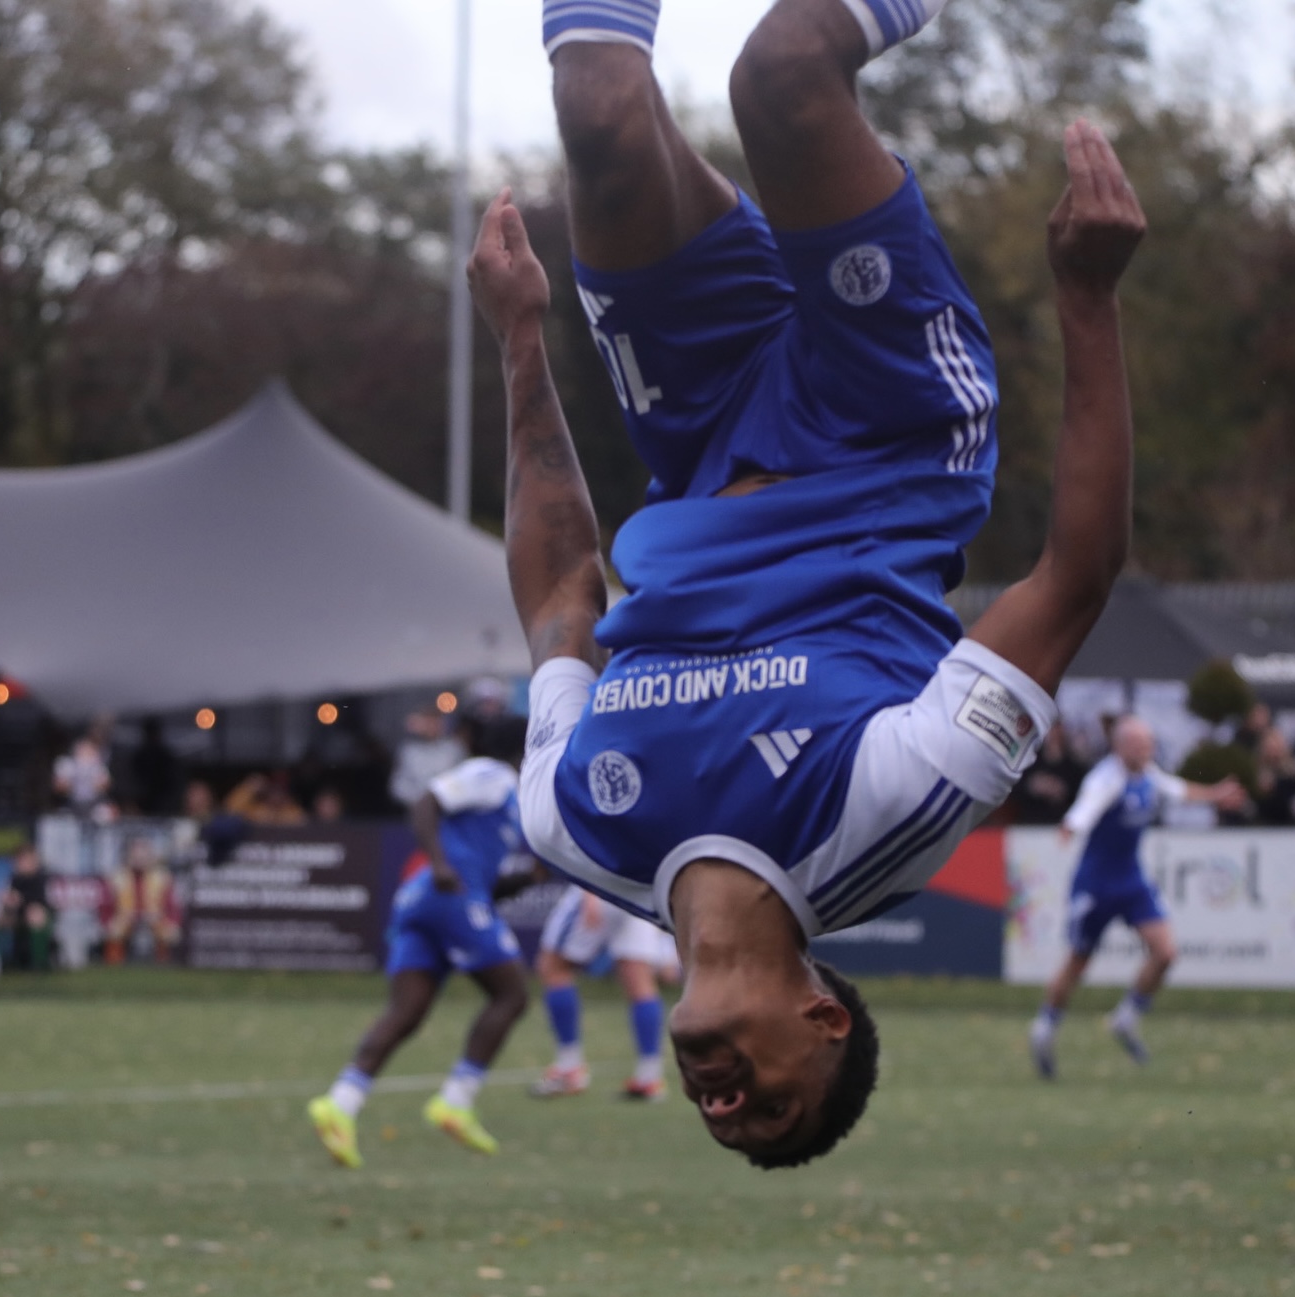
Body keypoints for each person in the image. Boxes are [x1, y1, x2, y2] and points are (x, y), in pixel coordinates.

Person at [472, 0, 1143, 1168]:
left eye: (720, 1124)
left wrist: (520, 340)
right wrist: (1088, 298)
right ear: (821, 1018)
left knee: (596, 109)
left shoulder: (577, 825)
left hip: (700, 428)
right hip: (890, 432)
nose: (722, 1108)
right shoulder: (888, 815)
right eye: (772, 1107)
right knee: (782, 71)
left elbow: (561, 594)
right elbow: (1073, 578)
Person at [307, 717, 536, 1168]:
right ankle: (456, 1098)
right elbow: (425, 803)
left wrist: (530, 878)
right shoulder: (491, 774)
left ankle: (341, 1104)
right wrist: (440, 863)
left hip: (429, 901)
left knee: (407, 1012)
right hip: (445, 896)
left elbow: (486, 882)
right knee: (511, 995)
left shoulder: (511, 800)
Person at [1026, 717, 1244, 1075]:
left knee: (1166, 952)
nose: (1146, 750)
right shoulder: (1105, 779)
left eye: (1149, 743)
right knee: (1078, 962)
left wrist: (1215, 795)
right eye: (1139, 745)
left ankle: (1126, 1018)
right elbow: (1085, 809)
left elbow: (1177, 790)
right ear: (1119, 747)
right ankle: (1045, 1027)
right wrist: (1070, 827)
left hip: (1130, 881)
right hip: (1095, 885)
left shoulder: (1148, 774)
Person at [530, 886, 682, 1101]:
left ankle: (569, 1068)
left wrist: (590, 891)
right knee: (640, 981)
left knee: (554, 968)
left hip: (601, 884)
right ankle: (649, 1077)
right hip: (637, 891)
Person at [0, 844, 54, 971]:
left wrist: (20, 899)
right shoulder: (15, 878)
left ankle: (39, 962)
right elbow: (10, 898)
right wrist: (8, 902)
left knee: (36, 915)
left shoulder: (40, 877)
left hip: (36, 912)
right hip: (18, 912)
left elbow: (40, 901)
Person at [390, 709, 466, 808]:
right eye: (428, 722)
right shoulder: (409, 751)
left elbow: (465, 778)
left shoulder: (454, 748)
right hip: (419, 808)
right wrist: (419, 799)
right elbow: (398, 785)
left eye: (435, 722)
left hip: (451, 808)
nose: (432, 726)